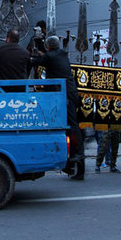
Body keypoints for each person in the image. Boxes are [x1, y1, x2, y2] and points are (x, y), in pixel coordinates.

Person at [33, 36, 84, 180]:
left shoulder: (49, 56)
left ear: (48, 46)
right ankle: (76, 166)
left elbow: (36, 61)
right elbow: (48, 56)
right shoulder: (61, 53)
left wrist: (33, 55)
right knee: (72, 126)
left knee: (71, 125)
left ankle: (78, 154)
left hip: (64, 95)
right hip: (71, 92)